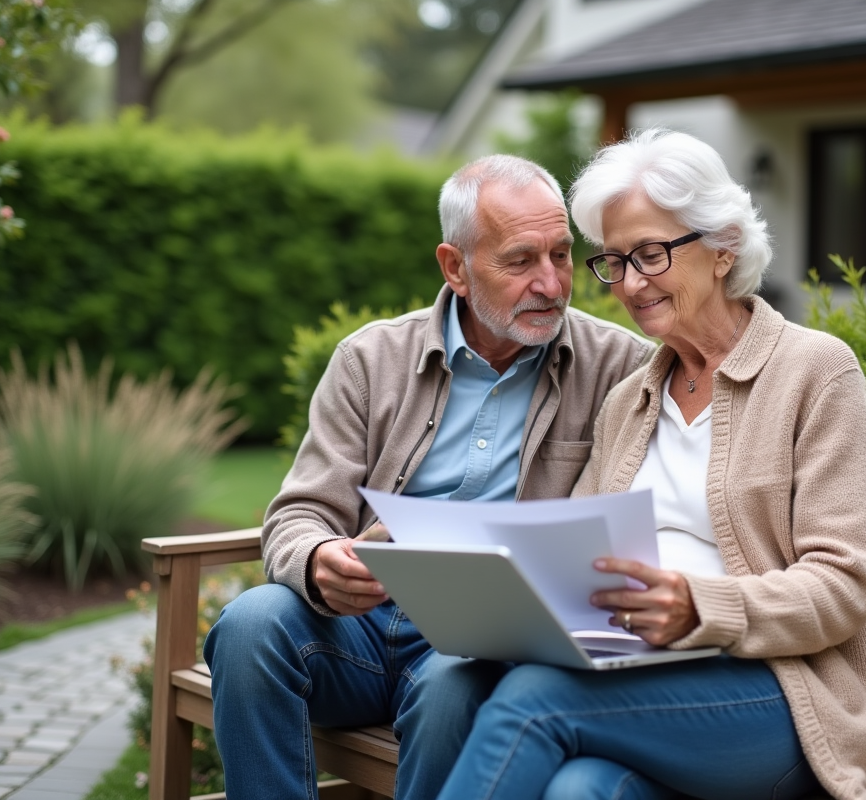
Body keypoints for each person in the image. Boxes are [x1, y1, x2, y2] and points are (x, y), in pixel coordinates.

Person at [435, 129, 866, 800]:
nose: (629, 282)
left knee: (533, 699)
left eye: (650, 254)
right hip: (637, 682)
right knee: (577, 787)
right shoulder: (630, 399)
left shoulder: (815, 372)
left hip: (781, 698)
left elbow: (843, 586)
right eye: (614, 261)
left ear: (722, 246)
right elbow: (580, 551)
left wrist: (698, 608)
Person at [202, 154, 653, 800]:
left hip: (479, 640)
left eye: (560, 255)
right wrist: (319, 558)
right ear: (455, 267)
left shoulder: (622, 368)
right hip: (355, 626)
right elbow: (298, 513)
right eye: (522, 261)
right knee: (250, 625)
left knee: (453, 688)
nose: (552, 284)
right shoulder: (369, 358)